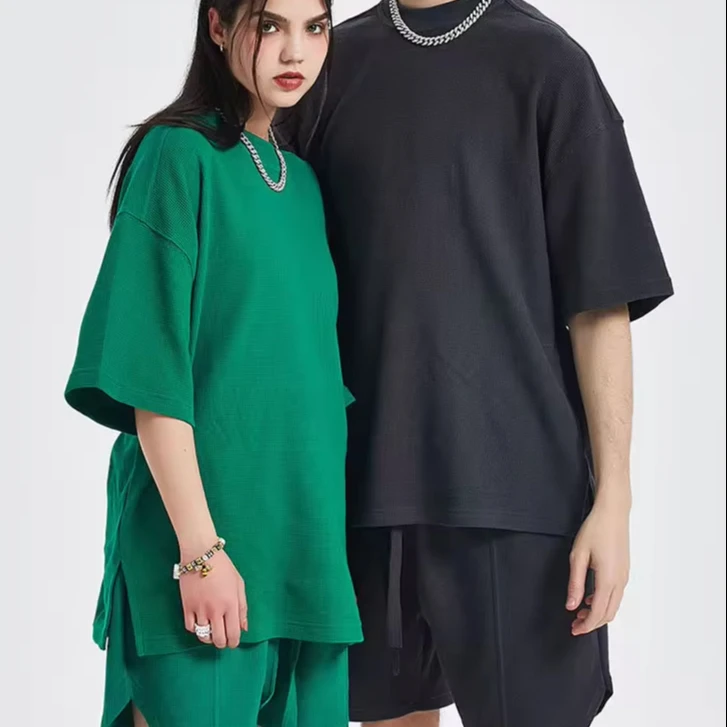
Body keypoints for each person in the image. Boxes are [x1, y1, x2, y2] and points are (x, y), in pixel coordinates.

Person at [281, 0, 673, 725]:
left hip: (519, 492)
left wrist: (614, 499)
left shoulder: (548, 64)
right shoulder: (327, 64)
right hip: (362, 488)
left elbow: (600, 302)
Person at [64, 1, 362, 725]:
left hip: (306, 558)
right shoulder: (178, 155)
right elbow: (150, 374)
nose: (295, 51)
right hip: (204, 553)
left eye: (315, 27)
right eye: (270, 25)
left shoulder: (305, 184)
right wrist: (200, 553)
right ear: (220, 26)